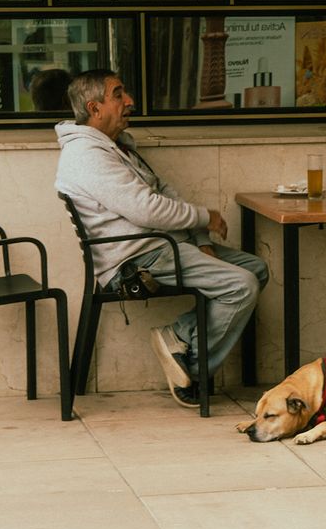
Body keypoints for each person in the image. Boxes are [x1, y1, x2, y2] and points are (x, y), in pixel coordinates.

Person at [54, 69, 269, 407]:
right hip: (136, 259)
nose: (130, 101)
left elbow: (165, 194)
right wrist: (206, 217)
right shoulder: (87, 155)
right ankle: (192, 370)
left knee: (255, 269)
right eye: (118, 94)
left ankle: (178, 338)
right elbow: (146, 210)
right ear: (94, 108)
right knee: (241, 286)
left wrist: (201, 239)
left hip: (163, 246)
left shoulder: (118, 147)